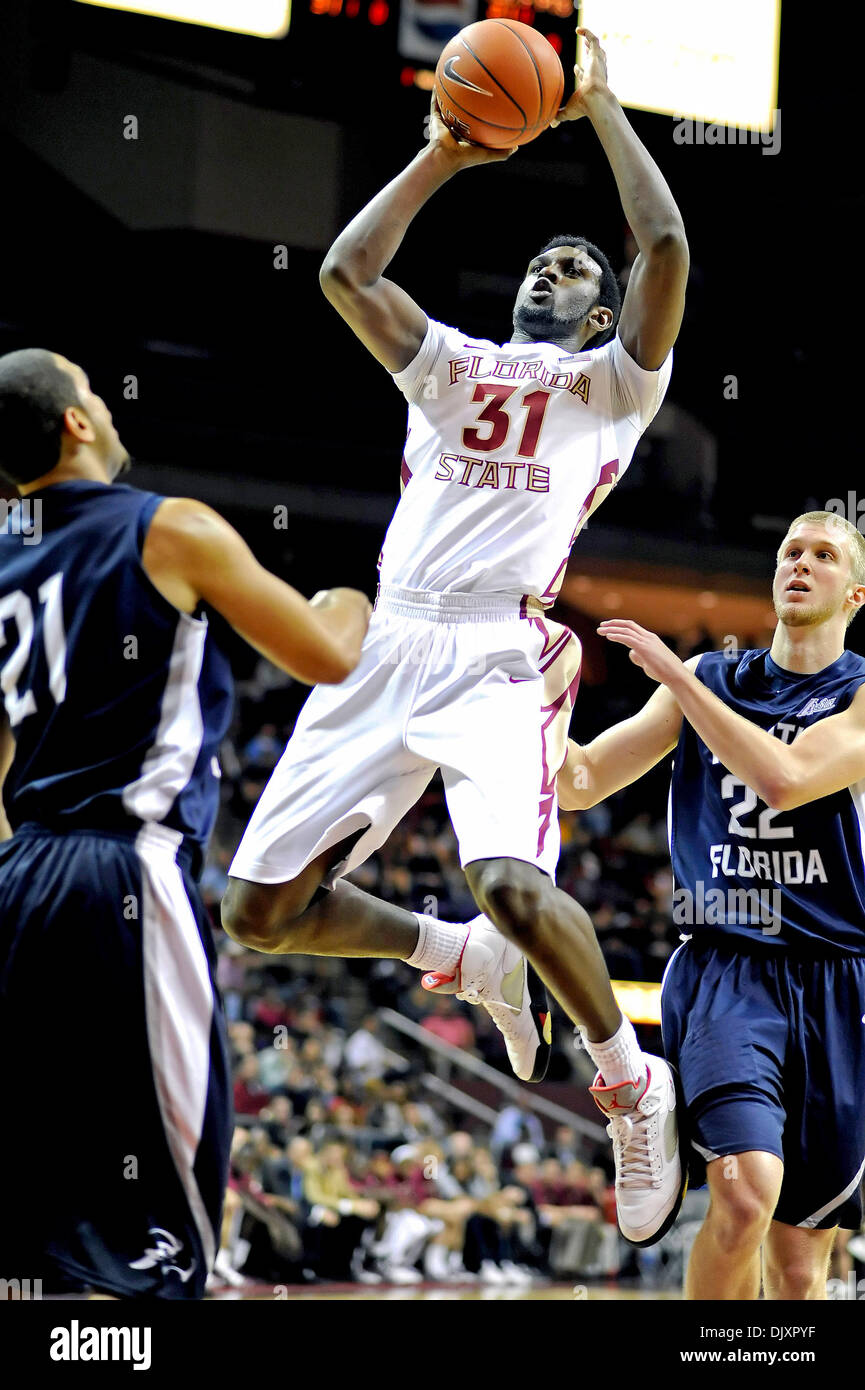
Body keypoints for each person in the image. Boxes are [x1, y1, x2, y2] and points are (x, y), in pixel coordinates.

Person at [223, 28, 689, 1245]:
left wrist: (596, 108)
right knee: (259, 913)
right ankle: (460, 958)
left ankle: (628, 1076)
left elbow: (667, 245)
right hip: (386, 643)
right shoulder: (453, 365)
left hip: (493, 649)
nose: (554, 270)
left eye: (578, 266)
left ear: (602, 314)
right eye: (541, 258)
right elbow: (343, 271)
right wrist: (442, 152)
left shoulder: (611, 393)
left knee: (512, 884)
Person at [0, 347, 371, 1299]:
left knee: (39, 1183)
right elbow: (326, 655)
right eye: (92, 389)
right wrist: (359, 599)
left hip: (17, 876)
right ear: (79, 422)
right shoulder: (169, 527)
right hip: (124, 869)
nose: (107, 404)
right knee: (174, 1183)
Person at [558, 509, 865, 1299]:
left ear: (853, 592)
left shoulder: (860, 696)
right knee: (742, 1188)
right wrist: (524, 695)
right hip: (728, 971)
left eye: (823, 556)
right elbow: (582, 779)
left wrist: (674, 676)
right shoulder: (710, 679)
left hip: (838, 983)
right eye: (790, 551)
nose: (800, 564)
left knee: (799, 1265)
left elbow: (785, 779)